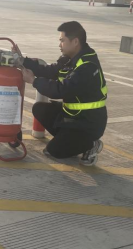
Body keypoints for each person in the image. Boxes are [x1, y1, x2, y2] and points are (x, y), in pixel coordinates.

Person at [14, 21, 108, 165]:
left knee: (54, 151)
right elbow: (49, 71)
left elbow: (61, 89)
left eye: (62, 40)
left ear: (75, 42)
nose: (60, 44)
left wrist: (34, 81)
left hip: (88, 123)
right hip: (73, 116)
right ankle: (68, 141)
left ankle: (91, 143)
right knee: (39, 108)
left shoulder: (87, 66)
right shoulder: (70, 59)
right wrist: (22, 60)